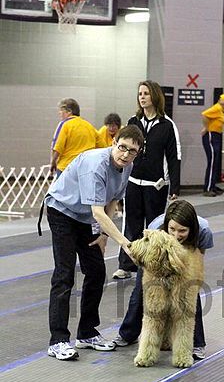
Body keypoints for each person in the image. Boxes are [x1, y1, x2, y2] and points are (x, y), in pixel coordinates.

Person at [45, 124, 144, 361]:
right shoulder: (95, 165)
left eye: (132, 151)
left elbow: (112, 202)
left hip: (85, 217)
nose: (125, 154)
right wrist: (125, 244)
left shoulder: (127, 166)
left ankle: (87, 333)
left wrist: (102, 235)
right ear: (113, 143)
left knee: (97, 271)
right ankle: (58, 340)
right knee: (65, 274)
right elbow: (98, 212)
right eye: (122, 147)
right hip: (62, 211)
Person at [112, 200, 214, 360]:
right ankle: (128, 334)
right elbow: (145, 256)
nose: (175, 235)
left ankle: (196, 344)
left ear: (191, 229)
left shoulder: (203, 231)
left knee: (188, 305)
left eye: (182, 231)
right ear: (166, 225)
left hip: (185, 263)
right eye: (172, 229)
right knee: (142, 298)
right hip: (154, 261)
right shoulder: (155, 227)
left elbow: (199, 257)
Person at [113, 80, 181, 280]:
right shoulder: (133, 122)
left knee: (155, 228)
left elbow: (174, 157)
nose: (142, 97)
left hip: (156, 186)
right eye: (140, 93)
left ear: (155, 96)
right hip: (133, 183)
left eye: (146, 93)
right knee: (131, 225)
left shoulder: (168, 126)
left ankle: (154, 267)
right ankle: (126, 265)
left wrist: (174, 187)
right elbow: (121, 149)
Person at [50, 98, 102, 178]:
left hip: (66, 167)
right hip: (85, 169)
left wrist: (53, 163)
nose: (59, 113)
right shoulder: (89, 126)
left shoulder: (64, 124)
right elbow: (101, 147)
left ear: (69, 111)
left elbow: (57, 147)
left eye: (61, 110)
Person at [201, 93, 224, 197]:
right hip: (211, 136)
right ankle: (207, 189)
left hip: (216, 136)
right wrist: (206, 128)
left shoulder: (220, 110)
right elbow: (204, 114)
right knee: (211, 163)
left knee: (215, 162)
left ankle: (212, 186)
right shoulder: (217, 108)